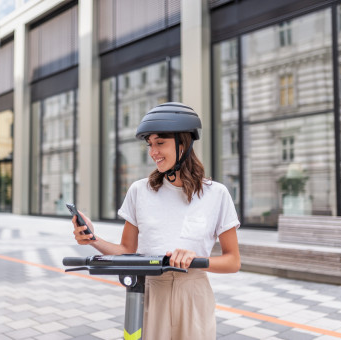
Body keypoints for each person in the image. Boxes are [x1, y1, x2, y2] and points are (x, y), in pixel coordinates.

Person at [71, 102, 241, 339]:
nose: (153, 152)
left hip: (194, 294)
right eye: (150, 144)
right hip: (150, 291)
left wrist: (196, 259)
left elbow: (233, 261)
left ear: (184, 143)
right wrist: (92, 238)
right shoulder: (140, 191)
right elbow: (126, 251)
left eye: (160, 143)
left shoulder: (217, 194)